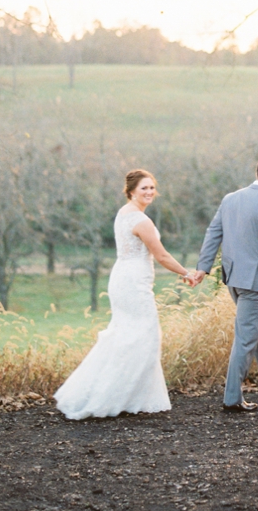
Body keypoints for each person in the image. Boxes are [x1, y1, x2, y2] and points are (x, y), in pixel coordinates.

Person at [54, 169, 196, 419]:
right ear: (131, 191)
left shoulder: (124, 213)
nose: (150, 192)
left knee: (127, 335)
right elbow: (161, 255)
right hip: (133, 283)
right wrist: (186, 272)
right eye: (144, 188)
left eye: (152, 187)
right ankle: (116, 396)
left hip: (123, 277)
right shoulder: (142, 221)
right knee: (144, 335)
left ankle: (130, 395)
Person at [193, 153, 258, 412]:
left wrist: (202, 268)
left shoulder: (230, 199)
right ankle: (232, 399)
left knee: (255, 330)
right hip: (254, 281)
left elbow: (213, 233)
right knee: (245, 337)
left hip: (233, 280)